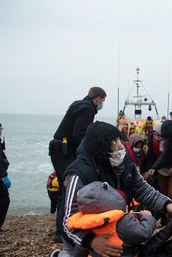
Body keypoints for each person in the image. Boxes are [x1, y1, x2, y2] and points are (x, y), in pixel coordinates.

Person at [58, 121, 172, 257]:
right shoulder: (78, 174)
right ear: (101, 148)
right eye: (114, 142)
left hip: (113, 228)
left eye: (119, 139)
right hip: (82, 237)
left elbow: (142, 189)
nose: (121, 145)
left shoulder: (124, 160)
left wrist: (167, 205)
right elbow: (67, 222)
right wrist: (91, 241)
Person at [49, 86, 106, 242]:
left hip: (59, 149)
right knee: (68, 190)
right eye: (103, 100)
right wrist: (88, 152)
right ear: (97, 98)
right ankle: (62, 232)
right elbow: (79, 134)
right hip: (64, 151)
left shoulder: (78, 105)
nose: (102, 104)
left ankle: (62, 229)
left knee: (65, 188)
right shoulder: (87, 109)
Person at [66, 181, 156, 257]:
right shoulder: (122, 222)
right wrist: (147, 217)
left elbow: (81, 248)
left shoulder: (86, 224)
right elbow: (142, 233)